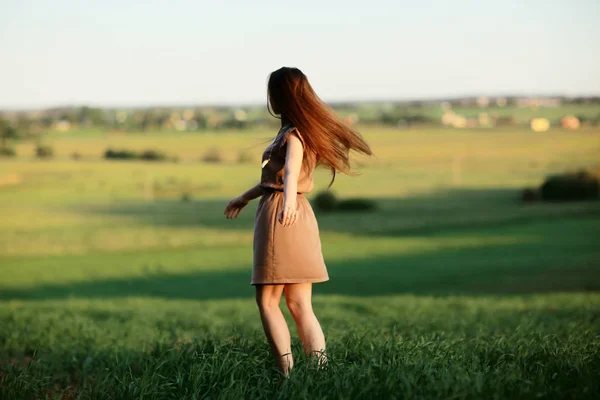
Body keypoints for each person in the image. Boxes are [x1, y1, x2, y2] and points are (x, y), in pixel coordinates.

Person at [224, 67, 372, 376]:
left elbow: (290, 173)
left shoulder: (292, 135)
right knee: (300, 304)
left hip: (282, 213)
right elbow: (276, 178)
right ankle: (320, 373)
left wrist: (286, 203)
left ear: (279, 97)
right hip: (300, 212)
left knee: (267, 301)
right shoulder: (298, 131)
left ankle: (287, 376)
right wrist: (245, 197)